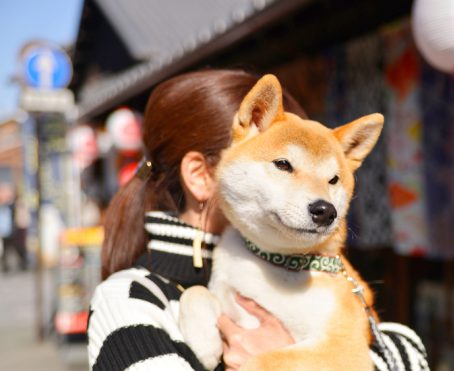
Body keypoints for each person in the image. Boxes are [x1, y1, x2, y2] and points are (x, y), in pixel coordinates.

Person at [87, 69, 428, 371]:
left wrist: (275, 361)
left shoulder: (315, 270)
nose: (320, 199)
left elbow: (400, 350)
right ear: (200, 175)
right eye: (284, 165)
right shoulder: (130, 298)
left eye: (332, 180)